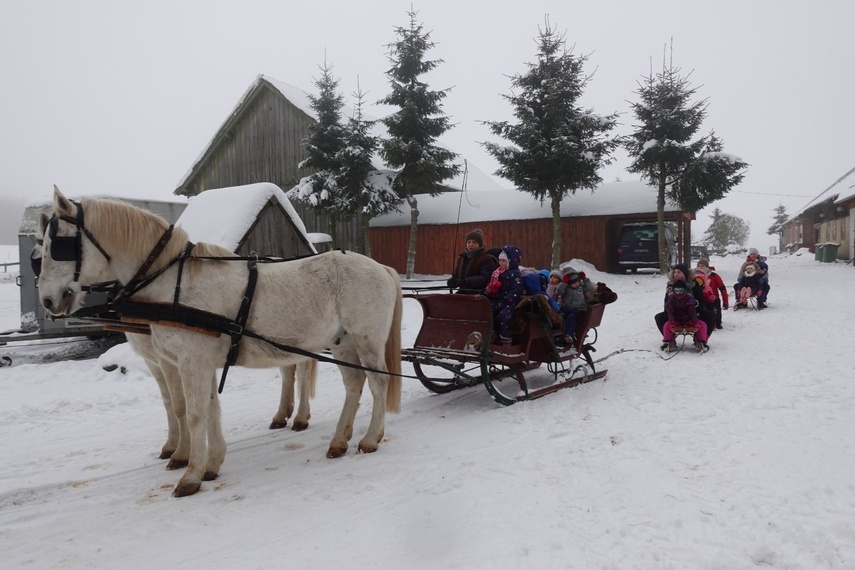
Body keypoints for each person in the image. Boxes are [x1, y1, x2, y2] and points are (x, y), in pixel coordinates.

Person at [654, 263, 715, 344]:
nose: (676, 274)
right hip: (675, 314)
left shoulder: (694, 285)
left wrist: (695, 307)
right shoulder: (670, 286)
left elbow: (701, 300)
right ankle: (669, 340)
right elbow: (666, 302)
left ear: (685, 274)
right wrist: (668, 312)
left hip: (693, 312)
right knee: (659, 317)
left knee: (711, 315)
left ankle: (702, 340)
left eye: (679, 272)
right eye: (675, 272)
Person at [485, 245, 525, 345]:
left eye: (504, 261)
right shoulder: (497, 272)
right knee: (488, 311)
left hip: (510, 302)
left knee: (504, 316)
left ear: (511, 262)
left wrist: (505, 300)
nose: (501, 263)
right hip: (497, 299)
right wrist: (489, 290)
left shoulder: (515, 274)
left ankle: (506, 340)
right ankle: (491, 334)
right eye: (500, 261)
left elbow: (517, 289)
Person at [662, 279, 709, 352]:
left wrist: (695, 322)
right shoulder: (671, 300)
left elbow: (692, 311)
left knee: (703, 325)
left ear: (684, 290)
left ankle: (700, 342)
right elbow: (670, 311)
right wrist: (672, 321)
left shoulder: (689, 298)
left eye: (681, 290)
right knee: (666, 326)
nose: (679, 292)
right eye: (677, 290)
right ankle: (670, 342)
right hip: (676, 320)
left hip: (688, 319)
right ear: (674, 290)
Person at [447, 229, 498, 294]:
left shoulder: (487, 259)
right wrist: (453, 280)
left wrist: (466, 281)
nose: (471, 244)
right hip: (462, 292)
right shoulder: (461, 258)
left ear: (480, 244)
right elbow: (457, 274)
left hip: (479, 294)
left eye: (474, 242)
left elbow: (485, 278)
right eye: (469, 242)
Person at [560, 271, 595, 345]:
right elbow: (560, 290)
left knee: (571, 317)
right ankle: (560, 338)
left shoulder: (581, 287)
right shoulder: (567, 289)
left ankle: (569, 334)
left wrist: (584, 279)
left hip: (579, 310)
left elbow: (589, 287)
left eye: (577, 282)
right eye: (573, 283)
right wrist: (564, 282)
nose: (576, 284)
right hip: (567, 308)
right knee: (563, 317)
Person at [696, 258, 728, 329]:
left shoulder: (714, 276)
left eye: (703, 266)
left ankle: (717, 322)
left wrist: (725, 302)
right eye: (699, 266)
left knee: (715, 306)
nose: (700, 267)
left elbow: (722, 288)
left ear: (707, 267)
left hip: (713, 297)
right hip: (700, 297)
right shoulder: (694, 276)